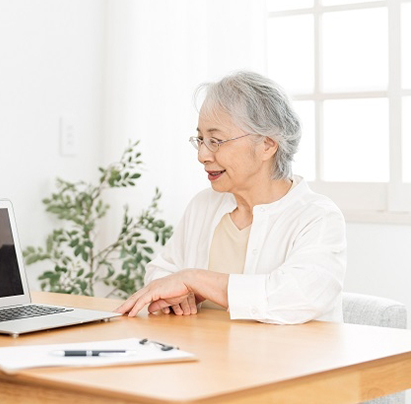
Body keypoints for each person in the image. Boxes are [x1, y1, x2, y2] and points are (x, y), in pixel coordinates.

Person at [116, 71, 346, 324]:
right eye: (201, 139)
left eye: (216, 140)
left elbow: (297, 298)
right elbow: (162, 270)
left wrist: (193, 279)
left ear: (267, 145)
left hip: (291, 361)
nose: (202, 155)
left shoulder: (317, 217)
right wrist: (177, 295)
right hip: (209, 357)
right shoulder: (203, 205)